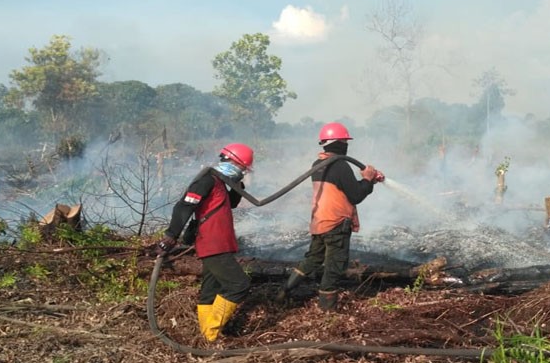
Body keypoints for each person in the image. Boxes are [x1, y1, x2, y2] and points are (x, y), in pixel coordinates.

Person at [276, 122, 382, 310]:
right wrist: (367, 180)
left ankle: (284, 291)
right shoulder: (340, 166)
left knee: (313, 259)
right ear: (340, 143)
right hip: (336, 224)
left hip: (320, 222)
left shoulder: (318, 164)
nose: (346, 145)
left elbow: (343, 187)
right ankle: (327, 311)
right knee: (334, 267)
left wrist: (369, 180)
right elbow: (356, 195)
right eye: (345, 142)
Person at [156, 143, 254, 342]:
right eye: (242, 168)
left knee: (211, 290)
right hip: (213, 242)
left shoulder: (218, 183)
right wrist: (170, 236)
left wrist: (238, 184)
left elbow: (232, 203)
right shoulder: (206, 180)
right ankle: (210, 334)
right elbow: (184, 206)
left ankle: (207, 334)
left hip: (220, 243)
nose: (243, 171)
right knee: (239, 285)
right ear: (233, 162)